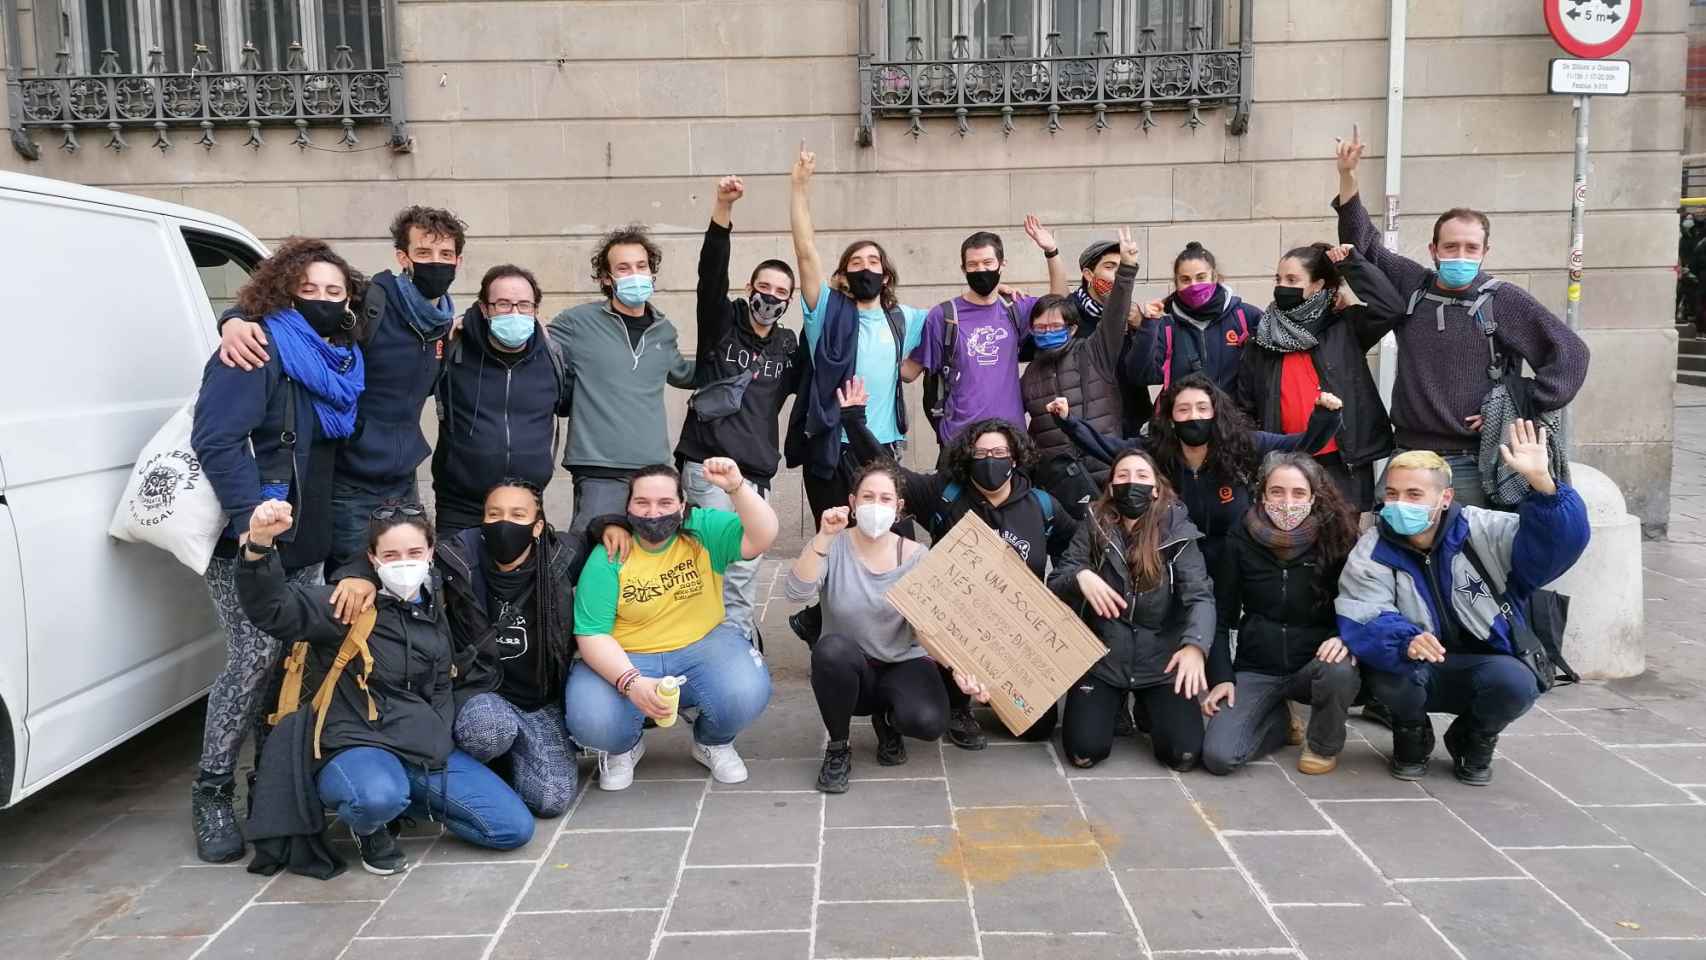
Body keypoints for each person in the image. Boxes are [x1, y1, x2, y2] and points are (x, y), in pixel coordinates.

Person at [188, 238, 367, 864]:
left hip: (308, 533)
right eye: (308, 290)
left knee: (293, 658)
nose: (321, 301)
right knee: (253, 654)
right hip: (252, 536)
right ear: (281, 290)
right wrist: (249, 523)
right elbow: (215, 439)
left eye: (333, 292)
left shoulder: (337, 357)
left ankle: (272, 784)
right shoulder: (253, 349)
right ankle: (212, 790)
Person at [237, 500, 534, 875]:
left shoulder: (439, 600)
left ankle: (403, 800)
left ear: (430, 553)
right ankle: (370, 823)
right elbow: (272, 608)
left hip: (420, 747)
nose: (404, 562)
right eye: (391, 554)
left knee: (511, 829)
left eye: (414, 552)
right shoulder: (347, 605)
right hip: (355, 742)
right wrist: (259, 546)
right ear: (373, 560)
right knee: (376, 798)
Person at [1333, 127, 1589, 508]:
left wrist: (1516, 404)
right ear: (1433, 250)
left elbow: (1571, 354)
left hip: (1472, 463)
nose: (1461, 254)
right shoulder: (1413, 285)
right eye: (1451, 246)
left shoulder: (1503, 300)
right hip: (1408, 454)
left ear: (1486, 251)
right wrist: (1347, 176)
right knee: (1392, 547)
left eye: (1471, 248)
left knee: (1463, 556)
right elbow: (1364, 243)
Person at [1336, 424, 1590, 785]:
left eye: (1413, 494)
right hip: (1419, 663)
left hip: (1486, 659)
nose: (1398, 504)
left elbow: (1554, 548)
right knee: (1388, 674)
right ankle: (1411, 733)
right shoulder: (1373, 547)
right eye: (1391, 494)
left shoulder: (1483, 529)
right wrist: (1404, 638)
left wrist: (1545, 488)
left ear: (1444, 497)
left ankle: (1474, 737)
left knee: (1516, 683)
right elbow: (1361, 608)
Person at [218, 207, 465, 569]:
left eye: (445, 255)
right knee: (352, 580)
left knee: (403, 579)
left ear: (458, 261)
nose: (436, 263)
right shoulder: (371, 301)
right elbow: (285, 302)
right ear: (403, 257)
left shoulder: (441, 324)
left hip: (403, 478)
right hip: (349, 479)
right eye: (424, 253)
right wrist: (234, 319)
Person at [839, 379, 1076, 750]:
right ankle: (956, 704)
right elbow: (893, 473)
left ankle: (994, 691)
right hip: (957, 625)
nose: (990, 461)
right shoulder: (945, 494)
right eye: (981, 455)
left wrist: (1069, 582)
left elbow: (1076, 545)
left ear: (1015, 458)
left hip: (1015, 627)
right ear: (967, 457)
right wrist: (854, 422)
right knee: (944, 666)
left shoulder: (1042, 505)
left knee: (1038, 728)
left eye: (999, 454)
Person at [567, 459, 779, 790]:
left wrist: (737, 487)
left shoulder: (702, 531)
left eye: (665, 502)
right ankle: (623, 745)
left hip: (703, 646)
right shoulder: (609, 554)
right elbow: (592, 633)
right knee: (589, 719)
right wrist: (631, 683)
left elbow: (763, 536)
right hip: (628, 654)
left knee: (747, 691)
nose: (653, 513)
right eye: (642, 502)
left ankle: (712, 741)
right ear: (628, 507)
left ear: (682, 505)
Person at [676, 175, 805, 647]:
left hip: (754, 475)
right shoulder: (722, 325)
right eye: (763, 286)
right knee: (712, 562)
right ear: (750, 286)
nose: (769, 297)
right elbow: (709, 277)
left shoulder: (788, 346)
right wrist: (722, 211)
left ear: (788, 301)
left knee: (746, 566)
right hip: (708, 466)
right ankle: (706, 642)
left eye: (780, 292)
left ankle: (735, 645)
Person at [1055, 372, 1341, 572]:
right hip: (1176, 562)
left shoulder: (1244, 444)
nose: (1194, 416)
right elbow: (1108, 448)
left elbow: (1302, 445)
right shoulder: (1156, 449)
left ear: (1216, 412)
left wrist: (1325, 417)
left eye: (1202, 408)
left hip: (1234, 561)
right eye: (1184, 410)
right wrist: (1068, 421)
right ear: (1171, 418)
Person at [785, 141, 929, 521]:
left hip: (880, 448)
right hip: (831, 448)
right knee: (835, 542)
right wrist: (800, 187)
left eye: (873, 261)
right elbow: (804, 251)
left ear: (885, 276)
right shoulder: (826, 313)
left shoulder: (907, 319)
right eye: (856, 261)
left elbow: (953, 328)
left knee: (894, 542)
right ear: (844, 274)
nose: (865, 267)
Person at [1047, 449, 1215, 771]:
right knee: (1084, 753)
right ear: (1111, 486)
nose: (1131, 483)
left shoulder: (1177, 531)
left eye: (1141, 476)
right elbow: (1058, 579)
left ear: (1155, 488)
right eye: (1122, 476)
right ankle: (1115, 703)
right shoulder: (1095, 524)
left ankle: (1148, 706)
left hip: (1160, 659)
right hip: (1104, 657)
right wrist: (1080, 576)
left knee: (1183, 756)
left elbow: (1200, 596)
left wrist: (1195, 646)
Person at [785, 462, 947, 793]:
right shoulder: (834, 545)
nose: (876, 505)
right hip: (850, 669)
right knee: (830, 650)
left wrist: (958, 667)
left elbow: (931, 625)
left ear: (899, 507)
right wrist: (823, 537)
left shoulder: (917, 556)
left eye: (886, 498)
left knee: (929, 722)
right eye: (868, 496)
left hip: (902, 661)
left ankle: (888, 721)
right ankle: (838, 748)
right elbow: (796, 592)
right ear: (853, 502)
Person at [1201, 453, 1363, 776]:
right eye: (1277, 492)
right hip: (1258, 665)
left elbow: (1363, 600)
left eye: (1298, 493)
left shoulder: (1339, 538)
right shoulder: (1240, 538)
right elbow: (1221, 612)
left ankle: (1322, 745)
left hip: (1315, 661)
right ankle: (1278, 720)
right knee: (1219, 756)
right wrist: (1221, 676)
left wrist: (1346, 638)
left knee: (1340, 671)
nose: (1287, 502)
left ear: (1314, 497)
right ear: (1262, 494)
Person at [439, 480, 583, 818]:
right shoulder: (457, 558)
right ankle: (484, 763)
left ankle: (512, 757)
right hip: (482, 696)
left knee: (551, 799)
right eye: (494, 514)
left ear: (537, 527)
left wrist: (611, 525)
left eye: (518, 515)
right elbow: (397, 547)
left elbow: (600, 535)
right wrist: (358, 576)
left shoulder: (560, 556)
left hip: (537, 704)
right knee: (488, 730)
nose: (505, 522)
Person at [548, 224, 696, 538]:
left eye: (641, 266)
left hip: (654, 470)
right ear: (606, 277)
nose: (635, 274)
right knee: (591, 560)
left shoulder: (664, 330)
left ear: (652, 272)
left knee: (649, 567)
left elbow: (685, 373)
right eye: (623, 268)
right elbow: (531, 342)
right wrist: (474, 323)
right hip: (598, 468)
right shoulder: (576, 322)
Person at [1236, 243, 1404, 509]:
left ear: (1317, 285)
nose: (1282, 286)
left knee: (1341, 542)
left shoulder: (1344, 325)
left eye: (1292, 279)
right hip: (1287, 463)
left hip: (1342, 463)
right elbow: (1244, 404)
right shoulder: (1262, 338)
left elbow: (1391, 307)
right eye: (1278, 279)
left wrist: (1352, 265)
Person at [902, 216, 1069, 448]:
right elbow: (910, 371)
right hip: (961, 439)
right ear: (963, 269)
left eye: (988, 263)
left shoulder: (1016, 308)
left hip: (1011, 437)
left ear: (1002, 264)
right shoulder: (943, 316)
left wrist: (1051, 251)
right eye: (973, 265)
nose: (981, 270)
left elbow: (1059, 303)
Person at [431, 265, 570, 538]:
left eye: (524, 305)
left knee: (520, 580)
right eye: (503, 304)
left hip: (525, 504)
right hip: (461, 504)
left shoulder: (551, 356)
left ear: (536, 310)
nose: (515, 312)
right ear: (484, 309)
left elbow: (567, 403)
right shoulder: (455, 346)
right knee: (458, 578)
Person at [1021, 227, 1142, 512]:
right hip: (1059, 486)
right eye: (1041, 328)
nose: (1048, 331)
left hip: (1104, 475)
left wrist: (1127, 269)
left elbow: (1115, 313)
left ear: (1072, 328)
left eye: (1055, 326)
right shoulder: (1029, 377)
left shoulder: (1094, 351)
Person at [1121, 240, 1262, 403]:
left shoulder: (1245, 317)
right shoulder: (1166, 327)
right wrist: (1148, 326)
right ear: (1176, 282)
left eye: (1201, 277)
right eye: (1185, 279)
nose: (1194, 286)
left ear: (1215, 277)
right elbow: (1140, 376)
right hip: (1183, 422)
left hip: (1232, 423)